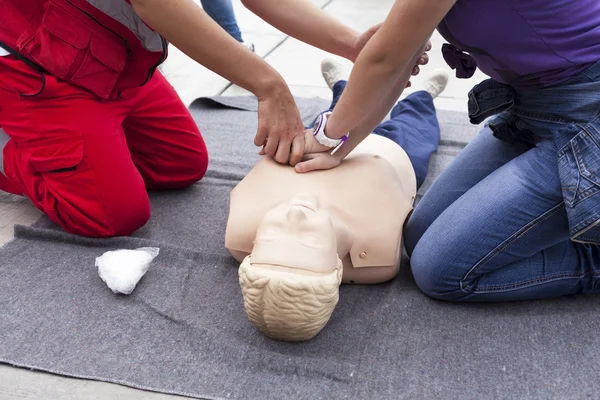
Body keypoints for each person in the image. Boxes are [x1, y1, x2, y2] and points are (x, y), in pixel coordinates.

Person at [0, 0, 429, 237]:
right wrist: (267, 84)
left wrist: (351, 43)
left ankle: (74, 146)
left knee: (181, 164)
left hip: (116, 59)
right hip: (40, 66)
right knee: (114, 216)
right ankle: (14, 145)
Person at [289, 0, 600, 302]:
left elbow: (385, 61)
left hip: (586, 116)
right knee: (416, 236)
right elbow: (396, 58)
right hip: (535, 108)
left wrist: (328, 136)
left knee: (440, 271)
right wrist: (340, 145)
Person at [225, 60, 449, 341]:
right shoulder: (377, 259)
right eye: (309, 238)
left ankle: (344, 88)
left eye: (271, 234)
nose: (295, 216)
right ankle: (421, 98)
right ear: (336, 266)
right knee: (415, 129)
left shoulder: (239, 240)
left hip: (308, 154)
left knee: (334, 117)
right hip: (390, 154)